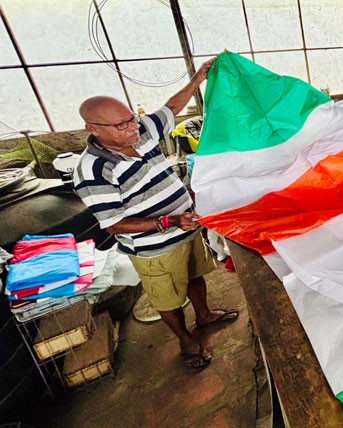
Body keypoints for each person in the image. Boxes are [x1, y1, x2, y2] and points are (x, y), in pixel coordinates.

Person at [73, 57, 239, 370]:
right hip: (154, 248)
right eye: (121, 125)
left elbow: (170, 108)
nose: (132, 127)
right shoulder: (93, 170)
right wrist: (168, 222)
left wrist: (198, 78)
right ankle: (186, 339)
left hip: (187, 228)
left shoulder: (141, 132)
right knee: (167, 298)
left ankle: (204, 316)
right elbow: (114, 225)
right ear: (93, 129)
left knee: (195, 275)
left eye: (130, 119)